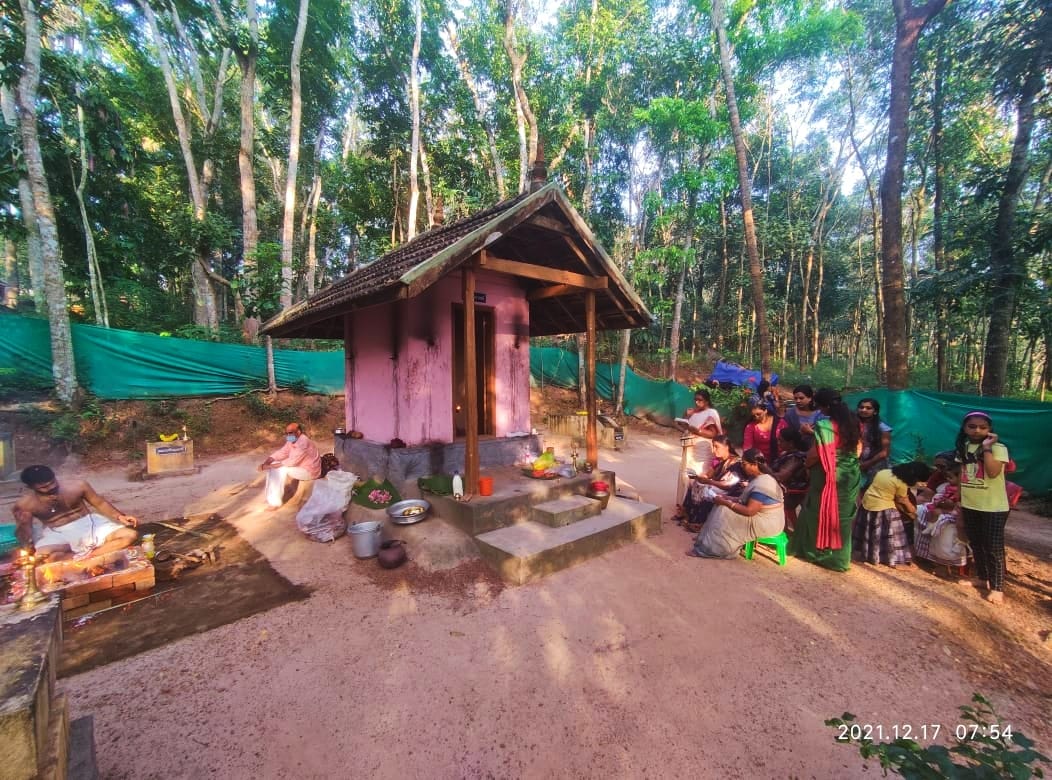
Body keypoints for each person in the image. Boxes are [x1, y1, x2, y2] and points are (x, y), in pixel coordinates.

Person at [789, 388, 862, 572]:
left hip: (827, 474)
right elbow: (859, 450)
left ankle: (816, 553)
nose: (820, 411)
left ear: (827, 406)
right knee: (843, 515)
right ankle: (839, 559)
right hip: (850, 474)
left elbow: (814, 456)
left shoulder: (825, 426)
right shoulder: (854, 423)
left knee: (818, 510)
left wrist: (807, 465)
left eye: (820, 407)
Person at [12, 465, 139, 561]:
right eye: (43, 487)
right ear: (31, 487)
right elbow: (24, 536)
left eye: (52, 483)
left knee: (130, 535)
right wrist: (22, 526)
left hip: (90, 525)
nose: (50, 488)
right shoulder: (25, 505)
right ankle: (92, 555)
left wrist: (120, 516)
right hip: (58, 533)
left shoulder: (77, 486)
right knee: (42, 556)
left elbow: (99, 503)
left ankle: (88, 558)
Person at [955, 411, 1011, 604]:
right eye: (972, 426)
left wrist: (987, 448)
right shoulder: (963, 448)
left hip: (993, 507)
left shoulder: (999, 448)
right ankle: (982, 577)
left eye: (982, 427)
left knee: (993, 547)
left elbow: (993, 472)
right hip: (970, 504)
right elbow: (961, 476)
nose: (977, 430)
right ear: (964, 428)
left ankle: (997, 588)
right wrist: (959, 501)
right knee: (976, 542)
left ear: (990, 430)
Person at [689, 449, 785, 559]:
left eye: (744, 464)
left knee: (724, 510)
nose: (742, 467)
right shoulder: (760, 478)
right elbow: (744, 500)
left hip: (767, 523)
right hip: (761, 516)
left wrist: (727, 503)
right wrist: (726, 498)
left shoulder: (763, 484)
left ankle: (714, 549)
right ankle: (706, 540)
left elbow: (750, 511)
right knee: (720, 505)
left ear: (754, 465)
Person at [852, 461, 933, 567]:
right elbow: (902, 501)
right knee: (896, 530)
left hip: (867, 504)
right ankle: (893, 557)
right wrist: (914, 511)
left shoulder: (884, 472)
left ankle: (869, 553)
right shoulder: (901, 484)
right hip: (882, 508)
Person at [677, 435, 744, 532]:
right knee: (695, 483)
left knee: (707, 490)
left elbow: (728, 484)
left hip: (731, 490)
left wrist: (708, 481)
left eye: (716, 447)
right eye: (713, 446)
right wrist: (700, 477)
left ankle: (699, 522)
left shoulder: (735, 462)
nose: (713, 450)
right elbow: (708, 475)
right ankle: (688, 514)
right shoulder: (719, 461)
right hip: (719, 486)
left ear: (727, 447)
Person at [914, 462, 970, 570]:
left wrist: (943, 502)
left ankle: (949, 550)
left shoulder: (960, 489)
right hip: (944, 507)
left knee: (939, 516)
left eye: (951, 477)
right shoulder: (947, 485)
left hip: (954, 511)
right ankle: (929, 530)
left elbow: (952, 502)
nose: (948, 479)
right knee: (921, 511)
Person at [260, 422, 321, 508]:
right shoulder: (292, 440)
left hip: (309, 471)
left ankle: (275, 503)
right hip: (299, 467)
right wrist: (267, 462)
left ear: (298, 432)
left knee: (279, 469)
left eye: (291, 432)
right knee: (274, 465)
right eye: (287, 433)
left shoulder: (303, 442)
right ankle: (271, 497)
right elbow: (282, 452)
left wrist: (267, 466)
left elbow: (292, 461)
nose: (288, 435)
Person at [771, 427, 809, 530]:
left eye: (781, 441)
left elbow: (782, 477)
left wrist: (764, 469)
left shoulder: (796, 458)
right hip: (782, 488)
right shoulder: (785, 454)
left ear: (791, 443)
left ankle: (796, 532)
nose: (778, 443)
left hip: (791, 491)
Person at [680, 389, 723, 474]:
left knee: (699, 474)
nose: (697, 402)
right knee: (687, 475)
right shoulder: (693, 412)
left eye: (700, 400)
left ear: (707, 401)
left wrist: (697, 431)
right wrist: (685, 416)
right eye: (695, 400)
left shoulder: (711, 413)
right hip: (689, 448)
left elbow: (713, 434)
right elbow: (687, 427)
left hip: (702, 451)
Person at [857, 398, 892, 488]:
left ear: (875, 411)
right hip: (858, 463)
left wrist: (867, 464)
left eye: (868, 408)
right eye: (861, 407)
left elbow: (885, 452)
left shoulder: (883, 428)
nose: (864, 410)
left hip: (876, 465)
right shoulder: (853, 425)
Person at [743, 396, 786, 464]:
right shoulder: (751, 426)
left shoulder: (780, 423)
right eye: (754, 415)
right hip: (760, 462)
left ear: (765, 410)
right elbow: (747, 447)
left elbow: (788, 443)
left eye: (758, 414)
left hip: (781, 460)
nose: (756, 417)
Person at [783, 385, 822, 450]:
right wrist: (800, 432)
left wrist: (812, 432)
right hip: (796, 450)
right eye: (795, 398)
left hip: (816, 450)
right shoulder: (790, 414)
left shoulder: (820, 413)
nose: (798, 401)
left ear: (810, 398)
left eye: (801, 398)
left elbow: (826, 435)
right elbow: (787, 434)